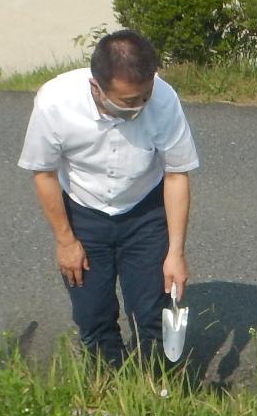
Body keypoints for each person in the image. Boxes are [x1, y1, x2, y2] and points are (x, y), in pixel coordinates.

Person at [19, 29, 200, 365]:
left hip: (145, 211)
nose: (140, 107)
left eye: (144, 96)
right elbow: (43, 173)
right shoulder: (54, 103)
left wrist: (175, 252)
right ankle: (108, 382)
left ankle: (155, 385)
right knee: (92, 313)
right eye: (129, 102)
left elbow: (177, 174)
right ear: (96, 88)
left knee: (150, 312)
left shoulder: (163, 99)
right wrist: (65, 241)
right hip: (84, 213)